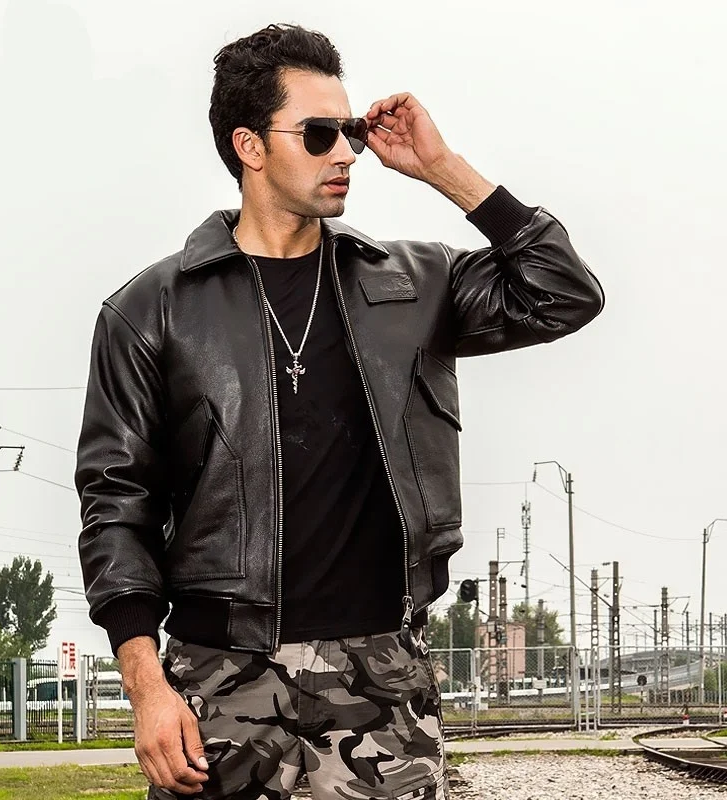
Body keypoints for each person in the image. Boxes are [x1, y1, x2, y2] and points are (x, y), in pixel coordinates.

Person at [75, 23, 604, 800]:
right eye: (320, 134)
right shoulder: (152, 310)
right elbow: (115, 509)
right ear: (250, 146)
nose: (347, 153)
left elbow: (564, 293)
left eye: (349, 132)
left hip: (382, 674)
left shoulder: (413, 284)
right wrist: (146, 686)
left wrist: (443, 168)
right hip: (221, 679)